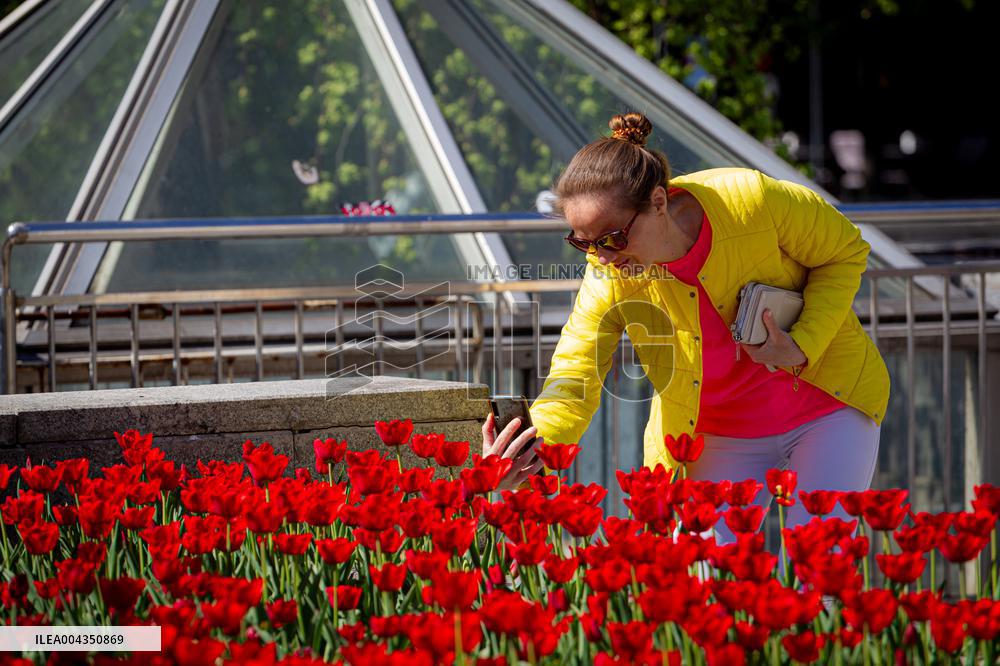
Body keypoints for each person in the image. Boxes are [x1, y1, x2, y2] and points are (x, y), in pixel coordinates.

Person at [482, 111, 890, 545]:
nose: (602, 257)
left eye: (613, 238)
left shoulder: (750, 199)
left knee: (819, 578)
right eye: (583, 242)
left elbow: (845, 251)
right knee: (704, 600)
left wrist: (803, 343)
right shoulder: (608, 276)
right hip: (714, 436)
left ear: (658, 202)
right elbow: (573, 376)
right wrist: (531, 443)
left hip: (826, 409)